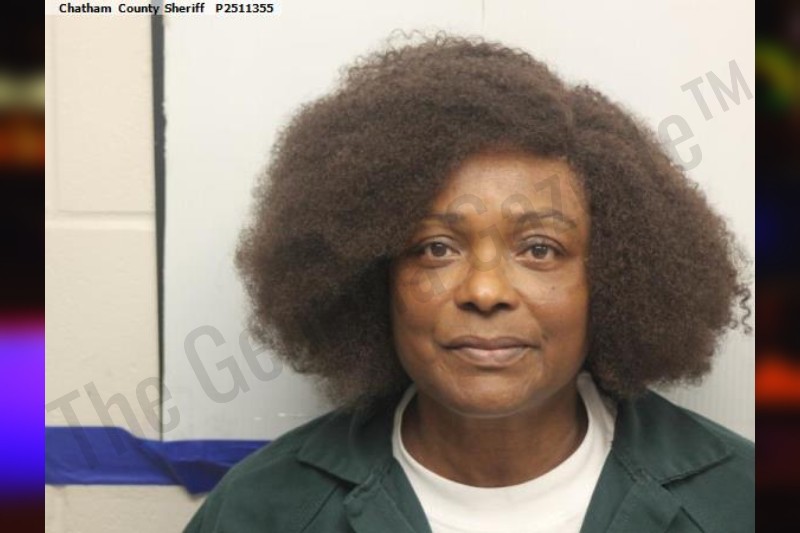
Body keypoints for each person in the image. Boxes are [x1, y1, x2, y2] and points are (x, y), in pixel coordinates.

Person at [185, 34, 754, 533]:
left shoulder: (742, 502)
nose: (484, 291)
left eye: (539, 249)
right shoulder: (261, 511)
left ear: (610, 281)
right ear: (373, 278)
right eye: (436, 248)